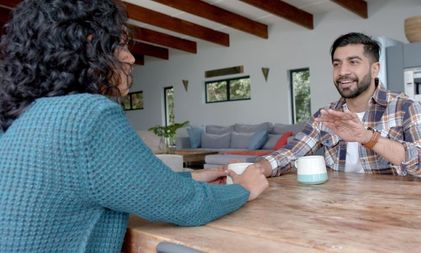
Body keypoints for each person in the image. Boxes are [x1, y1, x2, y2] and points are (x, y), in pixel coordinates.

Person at [0, 1, 268, 252]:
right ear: (92, 46)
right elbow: (187, 206)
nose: (131, 59)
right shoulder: (87, 115)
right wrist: (243, 189)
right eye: (122, 45)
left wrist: (188, 178)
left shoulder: (26, 116)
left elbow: (113, 186)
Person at [251, 32, 421, 181]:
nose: (342, 71)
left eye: (353, 62)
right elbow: (291, 153)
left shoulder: (407, 108)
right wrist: (256, 169)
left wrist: (368, 138)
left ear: (374, 69)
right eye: (337, 64)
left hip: (395, 212)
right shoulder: (326, 115)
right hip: (338, 210)